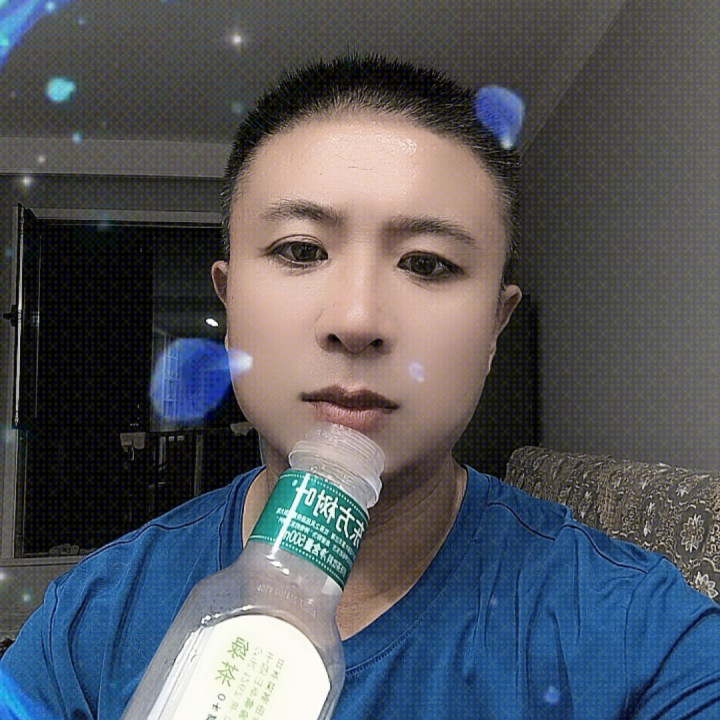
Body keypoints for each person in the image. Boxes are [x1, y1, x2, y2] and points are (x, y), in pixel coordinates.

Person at [2, 52, 719, 719]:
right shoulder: (84, 629)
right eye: (300, 250)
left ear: (495, 327)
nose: (356, 320)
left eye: (427, 263)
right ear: (230, 303)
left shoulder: (646, 638)